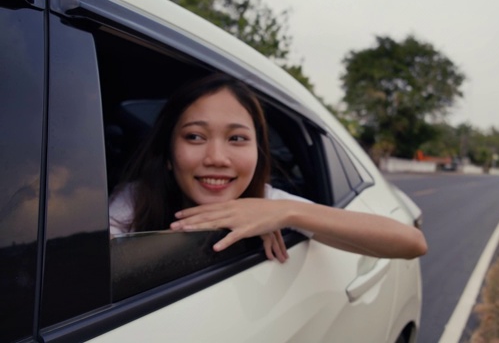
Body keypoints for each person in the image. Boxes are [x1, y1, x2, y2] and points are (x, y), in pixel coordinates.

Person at [109, 74, 427, 263]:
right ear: (168, 153)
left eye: (237, 138)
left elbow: (412, 243)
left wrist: (287, 213)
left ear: (258, 152)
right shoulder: (136, 200)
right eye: (194, 136)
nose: (217, 157)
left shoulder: (267, 201)